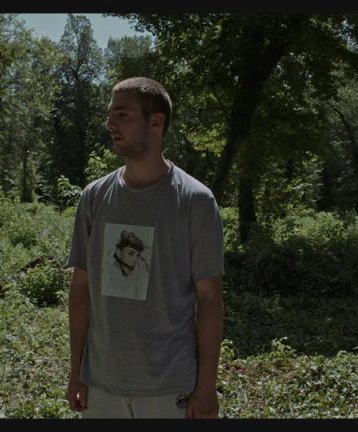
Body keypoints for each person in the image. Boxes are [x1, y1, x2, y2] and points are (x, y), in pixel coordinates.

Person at [64, 76, 224, 418]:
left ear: (156, 122)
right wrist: (76, 371)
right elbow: (80, 289)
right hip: (101, 384)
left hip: (170, 387)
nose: (110, 124)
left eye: (122, 115)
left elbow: (210, 299)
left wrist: (206, 386)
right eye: (110, 114)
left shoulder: (195, 201)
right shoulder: (94, 197)